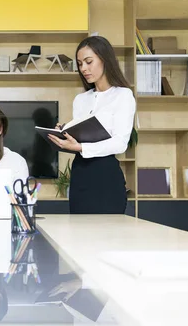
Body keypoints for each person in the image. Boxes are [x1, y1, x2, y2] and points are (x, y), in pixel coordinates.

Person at [48, 36, 136, 214]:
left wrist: (81, 146)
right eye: (80, 64)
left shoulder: (123, 95)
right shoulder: (81, 99)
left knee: (108, 236)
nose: (84, 69)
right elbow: (82, 136)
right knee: (79, 235)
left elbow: (120, 143)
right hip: (81, 173)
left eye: (89, 62)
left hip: (106, 175)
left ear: (105, 59)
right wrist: (64, 133)